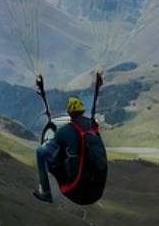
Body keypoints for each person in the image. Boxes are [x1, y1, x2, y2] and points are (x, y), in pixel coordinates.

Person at [33, 74, 108, 205]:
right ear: (82, 111)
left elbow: (49, 149)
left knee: (41, 152)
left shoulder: (65, 131)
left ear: (69, 113)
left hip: (75, 190)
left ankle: (46, 192)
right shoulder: (93, 126)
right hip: (95, 190)